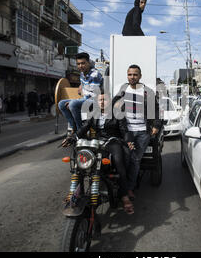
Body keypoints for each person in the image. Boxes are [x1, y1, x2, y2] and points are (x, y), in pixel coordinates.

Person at [62, 91, 136, 214]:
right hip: (97, 143)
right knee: (80, 158)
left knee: (119, 164)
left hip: (113, 142)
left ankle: (124, 195)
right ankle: (76, 191)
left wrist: (128, 141)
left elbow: (125, 130)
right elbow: (84, 127)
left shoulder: (117, 114)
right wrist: (73, 137)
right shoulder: (94, 114)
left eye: (105, 100)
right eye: (100, 100)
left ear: (110, 101)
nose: (102, 102)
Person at [113, 65, 162, 200]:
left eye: (135, 74)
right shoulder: (123, 89)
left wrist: (156, 125)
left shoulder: (147, 92)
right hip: (127, 131)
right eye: (130, 74)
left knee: (135, 160)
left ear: (140, 76)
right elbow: (113, 104)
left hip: (142, 132)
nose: (132, 77)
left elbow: (156, 110)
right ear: (127, 75)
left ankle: (129, 188)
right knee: (126, 158)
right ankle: (124, 186)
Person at [59, 52, 103, 134]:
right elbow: (84, 87)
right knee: (61, 104)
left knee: (73, 104)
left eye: (83, 63)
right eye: (78, 64)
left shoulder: (95, 74)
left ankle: (80, 131)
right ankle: (74, 127)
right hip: (85, 99)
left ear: (88, 63)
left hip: (95, 101)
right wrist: (81, 87)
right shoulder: (82, 74)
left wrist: (75, 101)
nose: (80, 66)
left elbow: (93, 95)